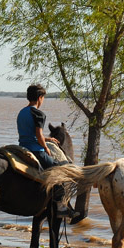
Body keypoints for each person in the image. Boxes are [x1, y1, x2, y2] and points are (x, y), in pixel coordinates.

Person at [17, 84, 77, 219]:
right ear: (40, 98)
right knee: (60, 171)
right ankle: (61, 206)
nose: (42, 100)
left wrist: (48, 138)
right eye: (43, 98)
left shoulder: (22, 112)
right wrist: (45, 147)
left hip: (23, 147)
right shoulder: (38, 113)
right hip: (36, 150)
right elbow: (38, 135)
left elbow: (29, 134)